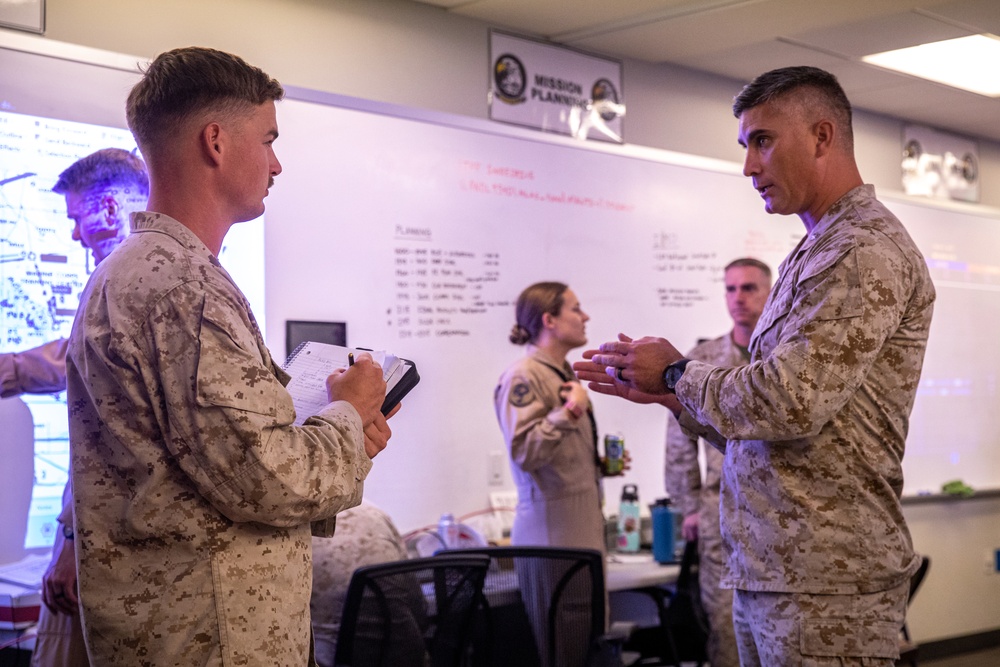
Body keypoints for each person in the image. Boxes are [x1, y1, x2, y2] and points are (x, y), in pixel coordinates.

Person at [575, 66, 936, 665]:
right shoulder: (818, 246)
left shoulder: (860, 247)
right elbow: (772, 435)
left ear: (822, 136)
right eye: (746, 146)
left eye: (763, 141)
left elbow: (790, 400)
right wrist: (673, 399)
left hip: (827, 581)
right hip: (779, 572)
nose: (749, 167)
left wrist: (676, 373)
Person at [65, 47, 395, 666]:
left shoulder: (136, 274)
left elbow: (211, 468)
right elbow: (267, 480)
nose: (276, 163)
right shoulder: (182, 289)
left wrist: (342, 433)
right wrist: (348, 413)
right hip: (213, 641)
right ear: (215, 142)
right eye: (268, 138)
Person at [0, 147, 148, 667]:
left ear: (108, 209)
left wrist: (70, 546)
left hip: (102, 543)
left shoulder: (126, 278)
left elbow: (111, 444)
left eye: (75, 218)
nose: (72, 235)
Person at [494, 282, 615, 667]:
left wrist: (597, 465)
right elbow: (525, 451)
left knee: (591, 650)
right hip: (553, 538)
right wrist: (570, 413)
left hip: (581, 531)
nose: (585, 317)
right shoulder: (523, 376)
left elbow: (555, 457)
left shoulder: (561, 372)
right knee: (567, 650)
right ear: (549, 319)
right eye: (576, 309)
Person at [663, 257, 771, 667]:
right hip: (721, 510)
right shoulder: (702, 359)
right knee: (726, 631)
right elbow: (678, 439)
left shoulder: (783, 354)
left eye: (748, 288)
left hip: (780, 514)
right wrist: (688, 505)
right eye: (730, 289)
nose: (737, 298)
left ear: (770, 292)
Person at [309, 502, 410, 667]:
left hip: (331, 655)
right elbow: (412, 590)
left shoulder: (296, 530)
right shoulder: (376, 514)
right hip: (398, 650)